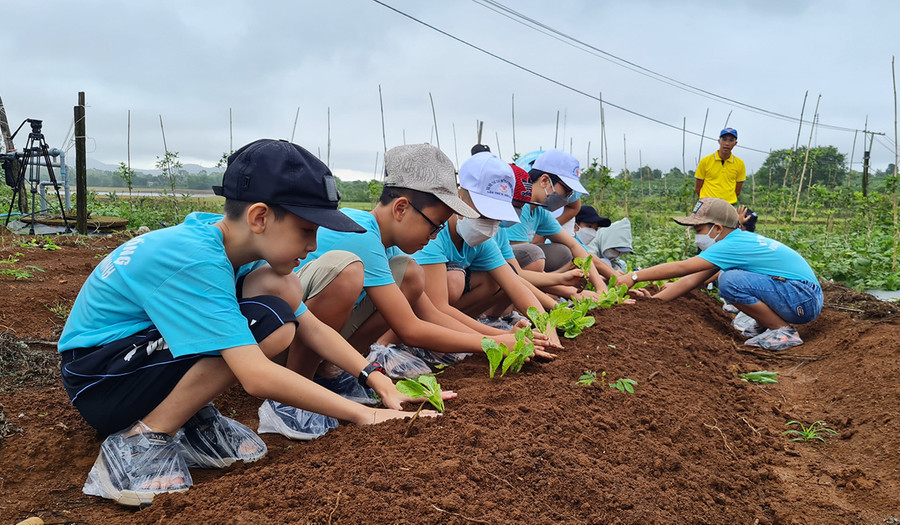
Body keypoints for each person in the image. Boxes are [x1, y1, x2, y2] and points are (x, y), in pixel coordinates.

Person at [57, 139, 442, 506]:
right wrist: (365, 413)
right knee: (271, 322)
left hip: (127, 363)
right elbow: (256, 376)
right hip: (100, 381)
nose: (312, 246)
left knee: (280, 293)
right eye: (307, 230)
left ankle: (191, 419)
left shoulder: (233, 244)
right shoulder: (195, 258)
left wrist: (379, 383)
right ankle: (145, 439)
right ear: (260, 217)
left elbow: (313, 327)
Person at [282, 143, 553, 381]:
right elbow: (410, 329)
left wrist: (499, 339)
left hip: (311, 337)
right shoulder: (361, 235)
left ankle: (331, 369)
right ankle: (296, 386)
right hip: (282, 339)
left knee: (408, 271)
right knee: (349, 273)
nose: (434, 235)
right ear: (401, 208)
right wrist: (491, 342)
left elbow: (429, 314)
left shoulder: (385, 246)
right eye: (434, 226)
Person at [617, 197, 823, 350]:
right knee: (732, 277)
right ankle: (766, 326)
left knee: (730, 281)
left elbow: (683, 267)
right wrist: (653, 301)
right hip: (803, 296)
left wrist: (634, 276)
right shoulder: (737, 241)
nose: (696, 235)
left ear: (716, 228)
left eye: (698, 230)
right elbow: (693, 280)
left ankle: (782, 331)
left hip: (802, 297)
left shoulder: (731, 244)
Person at [411, 150, 563, 354]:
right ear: (460, 197)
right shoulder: (433, 234)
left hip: (443, 312)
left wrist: (546, 326)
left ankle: (460, 331)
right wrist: (496, 339)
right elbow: (437, 309)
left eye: (496, 217)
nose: (489, 224)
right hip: (413, 311)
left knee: (495, 278)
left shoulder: (483, 241)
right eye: (484, 213)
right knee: (453, 280)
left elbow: (515, 285)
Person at [506, 149, 614, 290]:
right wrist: (572, 292)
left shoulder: (539, 211)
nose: (567, 198)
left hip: (516, 274)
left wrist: (601, 288)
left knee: (563, 251)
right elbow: (515, 270)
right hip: (502, 274)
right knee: (532, 254)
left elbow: (575, 246)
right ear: (544, 180)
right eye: (567, 190)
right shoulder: (520, 207)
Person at [695, 127, 758, 232]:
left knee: (724, 236)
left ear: (735, 143)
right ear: (719, 141)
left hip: (728, 207)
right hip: (708, 206)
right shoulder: (705, 161)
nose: (727, 143)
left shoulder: (739, 164)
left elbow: (737, 191)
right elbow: (698, 188)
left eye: (731, 140)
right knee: (704, 237)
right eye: (724, 139)